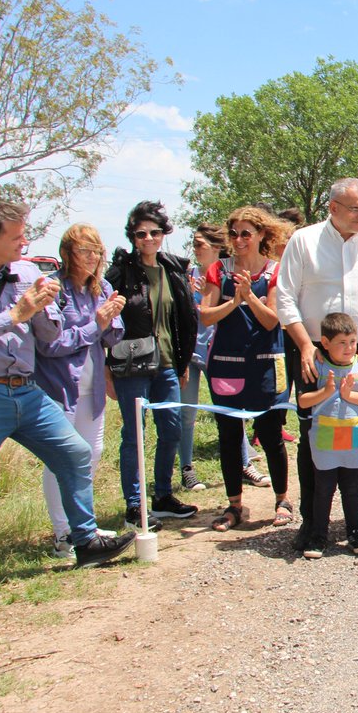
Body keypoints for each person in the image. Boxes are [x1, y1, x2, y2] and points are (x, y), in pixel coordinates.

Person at [0, 200, 134, 584]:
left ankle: (84, 541)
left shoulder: (25, 273)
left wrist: (63, 314)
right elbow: (37, 333)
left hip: (25, 388)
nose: (26, 241)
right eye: (17, 236)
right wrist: (16, 315)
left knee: (74, 452)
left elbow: (49, 335)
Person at [276, 178, 358, 551]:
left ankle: (357, 514)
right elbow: (285, 298)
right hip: (315, 349)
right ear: (332, 208)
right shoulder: (304, 241)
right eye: (354, 209)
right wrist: (303, 346)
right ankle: (312, 520)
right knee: (316, 432)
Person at [105, 200, 199, 531]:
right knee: (134, 435)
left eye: (154, 232)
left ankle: (162, 497)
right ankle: (134, 505)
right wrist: (106, 369)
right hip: (132, 365)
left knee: (171, 429)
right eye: (141, 233)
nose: (148, 239)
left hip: (169, 364)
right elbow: (106, 323)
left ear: (163, 234)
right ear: (132, 236)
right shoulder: (119, 273)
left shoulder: (173, 269)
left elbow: (186, 318)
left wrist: (183, 359)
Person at [198, 207, 293, 531]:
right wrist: (234, 301)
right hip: (226, 364)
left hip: (265, 363)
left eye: (245, 234)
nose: (238, 240)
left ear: (261, 235)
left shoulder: (274, 271)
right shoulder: (217, 270)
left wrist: (249, 296)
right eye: (234, 233)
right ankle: (235, 506)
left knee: (270, 435)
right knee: (228, 436)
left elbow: (271, 319)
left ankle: (282, 499)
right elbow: (206, 315)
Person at [34, 224, 125, 557]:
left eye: (97, 251)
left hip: (93, 386)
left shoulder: (103, 287)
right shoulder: (54, 289)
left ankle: (84, 526)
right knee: (61, 459)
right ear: (67, 253)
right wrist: (96, 324)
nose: (92, 257)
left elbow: (112, 338)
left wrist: (113, 318)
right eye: (84, 251)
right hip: (59, 386)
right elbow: (51, 344)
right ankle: (63, 535)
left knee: (92, 454)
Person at [297, 312, 358, 558]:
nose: (349, 348)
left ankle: (354, 534)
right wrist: (326, 391)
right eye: (341, 343)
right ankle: (318, 537)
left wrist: (349, 396)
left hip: (353, 440)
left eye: (352, 342)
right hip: (325, 439)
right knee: (323, 488)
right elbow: (303, 400)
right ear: (325, 343)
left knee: (351, 488)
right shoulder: (317, 366)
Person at [178, 223, 224, 492]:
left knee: (229, 412)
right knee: (187, 413)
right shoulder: (186, 275)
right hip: (190, 352)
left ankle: (244, 462)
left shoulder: (226, 275)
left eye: (200, 245)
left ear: (216, 248)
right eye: (193, 244)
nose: (195, 249)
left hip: (219, 353)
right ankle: (187, 469)